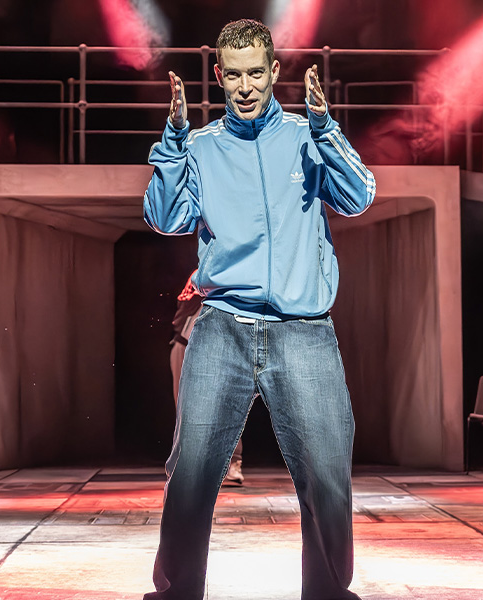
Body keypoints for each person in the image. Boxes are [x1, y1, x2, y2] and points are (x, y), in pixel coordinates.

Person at [142, 18, 375, 600]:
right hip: (222, 326)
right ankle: (176, 593)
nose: (245, 87)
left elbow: (358, 196)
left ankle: (328, 593)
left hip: (303, 331)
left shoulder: (304, 137)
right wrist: (172, 140)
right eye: (234, 76)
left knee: (326, 476)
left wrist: (325, 129)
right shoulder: (199, 147)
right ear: (219, 77)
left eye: (257, 74)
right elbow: (165, 218)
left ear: (274, 72)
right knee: (191, 471)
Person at [169, 273, 244, 486]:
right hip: (185, 343)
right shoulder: (200, 273)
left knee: (227, 405)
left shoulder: (234, 272)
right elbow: (184, 307)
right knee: (186, 409)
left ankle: (233, 462)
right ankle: (190, 464)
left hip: (218, 350)